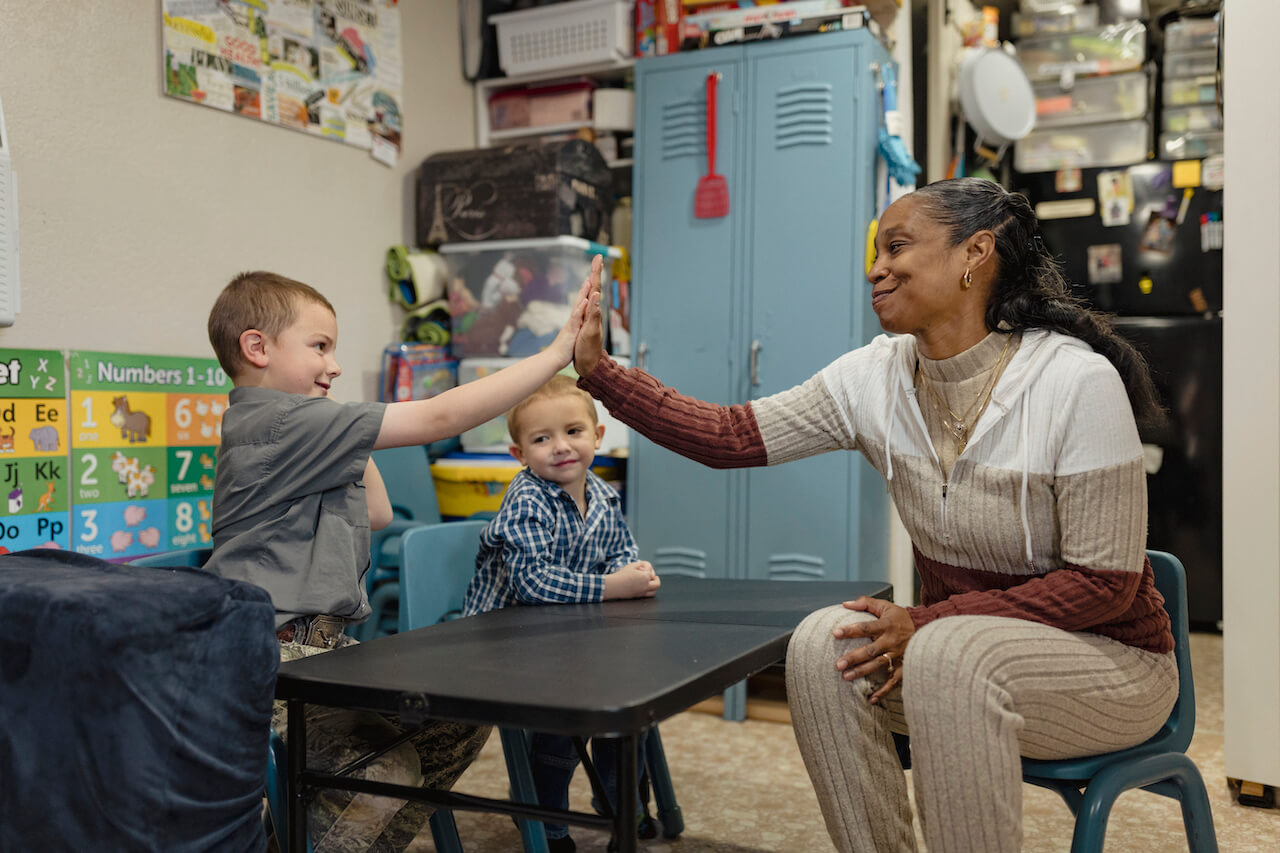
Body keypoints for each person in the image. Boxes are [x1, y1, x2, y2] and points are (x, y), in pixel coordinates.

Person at [571, 177, 1177, 853]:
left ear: (974, 253)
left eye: (897, 246)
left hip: (1113, 666)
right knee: (821, 648)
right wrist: (601, 373)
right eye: (875, 249)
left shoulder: (1075, 381)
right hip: (953, 657)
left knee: (948, 656)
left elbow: (1106, 585)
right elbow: (731, 435)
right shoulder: (875, 376)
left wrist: (926, 622)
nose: (874, 267)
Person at [205, 261, 598, 851]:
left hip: (321, 647)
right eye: (319, 347)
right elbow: (440, 417)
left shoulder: (299, 428)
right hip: (268, 656)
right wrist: (555, 354)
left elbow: (377, 515)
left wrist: (349, 430)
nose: (333, 364)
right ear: (257, 348)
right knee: (387, 774)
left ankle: (313, 834)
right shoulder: (272, 420)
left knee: (463, 717)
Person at [462, 373, 661, 853]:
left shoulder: (603, 494)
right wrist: (613, 586)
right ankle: (548, 822)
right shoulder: (527, 499)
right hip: (507, 641)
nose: (560, 447)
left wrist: (631, 573)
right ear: (519, 454)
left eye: (573, 431)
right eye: (541, 438)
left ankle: (619, 805)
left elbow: (618, 552)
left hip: (571, 632)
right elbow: (532, 582)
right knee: (560, 724)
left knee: (629, 706)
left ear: (597, 436)